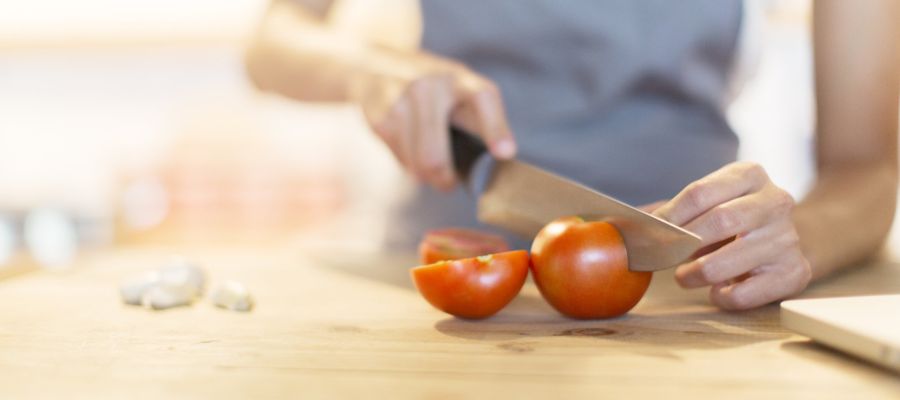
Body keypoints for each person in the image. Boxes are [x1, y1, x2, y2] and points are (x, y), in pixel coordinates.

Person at [244, 0, 899, 310]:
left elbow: (868, 162)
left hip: (695, 286)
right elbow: (273, 39)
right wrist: (367, 67)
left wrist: (800, 237)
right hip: (441, 279)